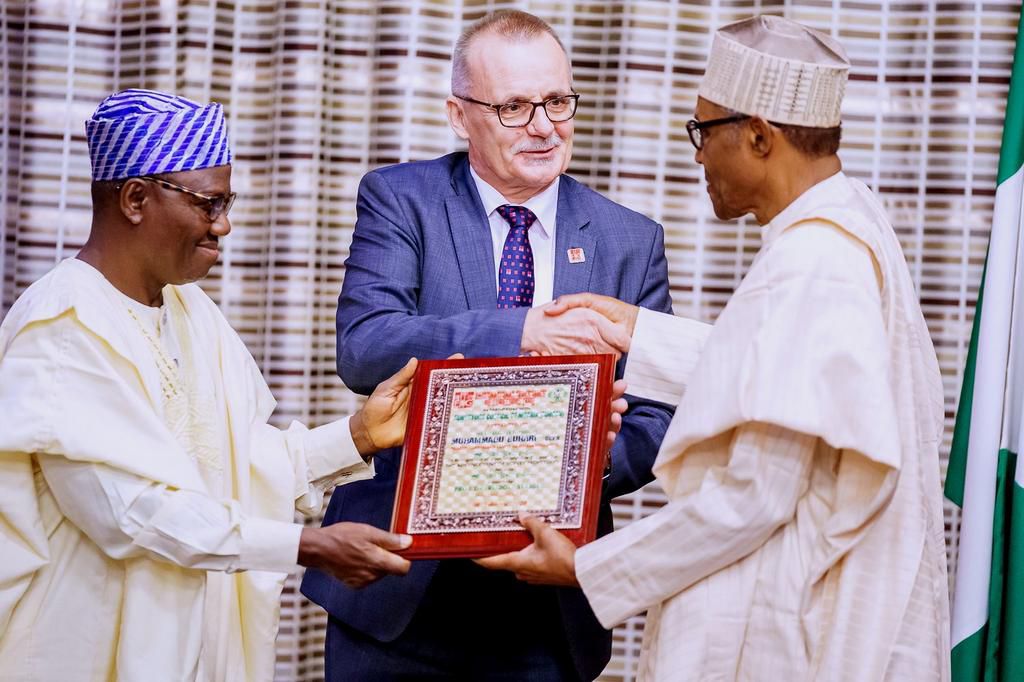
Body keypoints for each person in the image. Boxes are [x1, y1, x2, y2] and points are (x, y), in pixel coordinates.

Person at [480, 15, 951, 681]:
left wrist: (586, 567)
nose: (698, 155)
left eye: (704, 131)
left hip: (798, 630)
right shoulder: (848, 225)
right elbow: (788, 375)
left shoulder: (813, 262)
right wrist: (636, 331)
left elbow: (755, 497)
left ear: (758, 136)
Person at [299, 9, 675, 681]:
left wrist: (579, 468)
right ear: (458, 112)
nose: (543, 126)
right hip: (399, 592)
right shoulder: (400, 199)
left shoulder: (630, 238)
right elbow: (365, 346)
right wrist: (522, 329)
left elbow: (659, 415)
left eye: (557, 101)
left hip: (546, 605)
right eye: (513, 107)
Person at [0, 89, 419, 682]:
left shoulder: (191, 311)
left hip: (194, 648)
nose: (224, 224)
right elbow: (133, 512)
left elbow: (236, 462)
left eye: (228, 202)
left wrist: (356, 435)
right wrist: (307, 547)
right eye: (208, 203)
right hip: (84, 652)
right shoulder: (63, 325)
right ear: (136, 198)